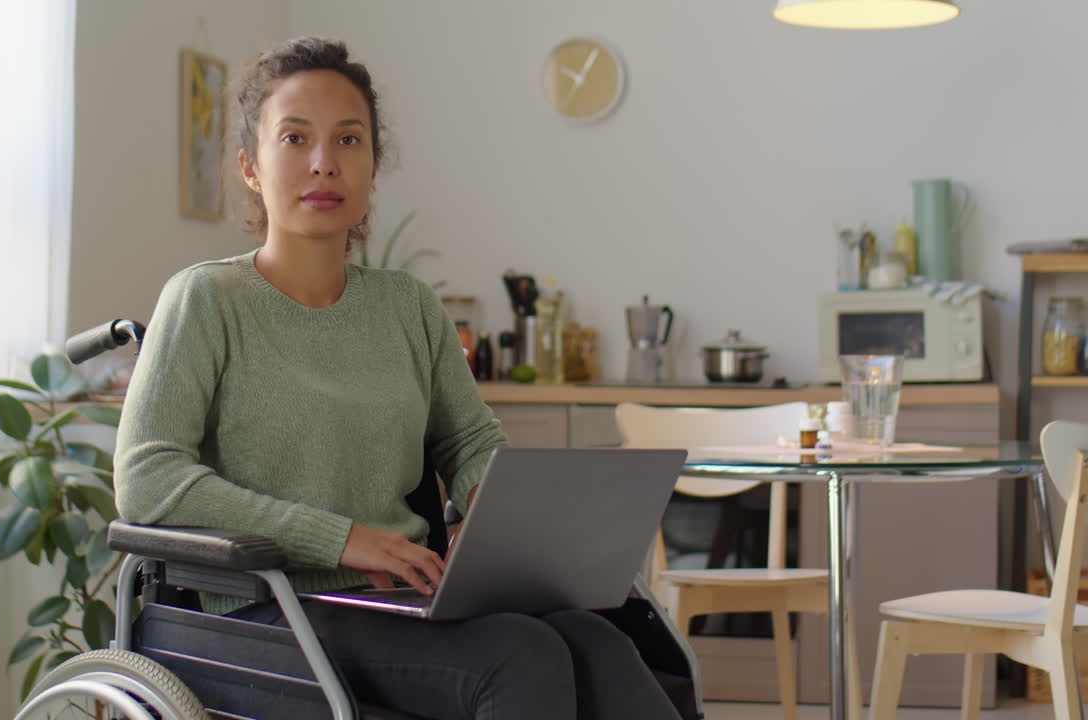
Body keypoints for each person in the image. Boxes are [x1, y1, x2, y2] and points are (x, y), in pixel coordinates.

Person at [114, 37, 682, 720]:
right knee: (521, 656)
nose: (324, 162)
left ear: (373, 165)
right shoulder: (205, 300)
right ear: (250, 167)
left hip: (398, 597)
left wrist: (501, 513)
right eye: (295, 138)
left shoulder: (406, 306)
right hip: (264, 610)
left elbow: (471, 443)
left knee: (598, 643)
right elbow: (147, 477)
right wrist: (341, 537)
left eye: (349, 140)